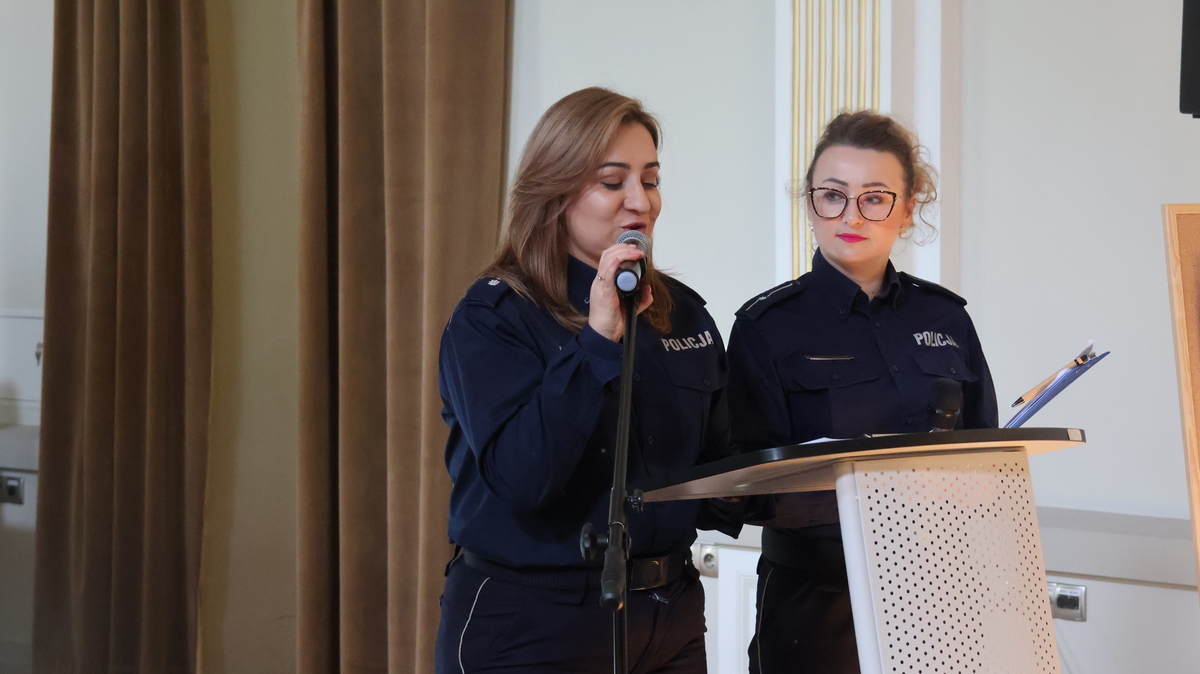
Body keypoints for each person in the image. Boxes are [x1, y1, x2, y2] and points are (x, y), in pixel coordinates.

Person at [435, 87, 733, 674]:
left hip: (668, 617)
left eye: (650, 180)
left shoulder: (684, 313)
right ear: (555, 192)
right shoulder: (493, 318)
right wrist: (597, 340)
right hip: (533, 625)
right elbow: (523, 478)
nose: (640, 202)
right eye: (613, 181)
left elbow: (717, 464)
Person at [726, 111, 999, 674]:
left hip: (940, 594)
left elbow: (984, 452)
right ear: (809, 203)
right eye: (833, 195)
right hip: (816, 606)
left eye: (874, 198)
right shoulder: (767, 327)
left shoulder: (946, 318)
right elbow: (746, 485)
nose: (851, 216)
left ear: (908, 206)